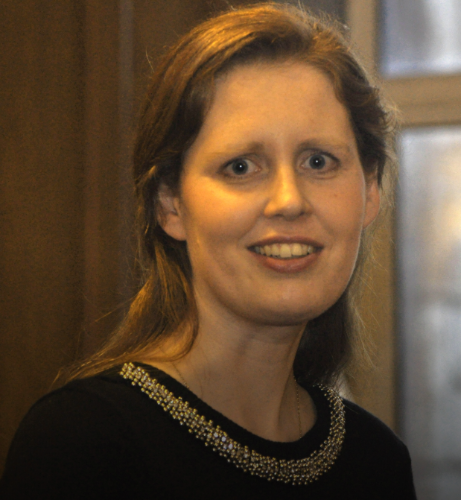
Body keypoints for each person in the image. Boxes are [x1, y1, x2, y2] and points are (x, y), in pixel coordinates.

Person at [0, 3, 417, 498]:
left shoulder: (375, 459)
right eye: (241, 167)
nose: (289, 201)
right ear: (169, 204)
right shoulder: (83, 443)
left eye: (318, 161)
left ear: (371, 189)